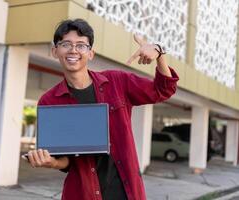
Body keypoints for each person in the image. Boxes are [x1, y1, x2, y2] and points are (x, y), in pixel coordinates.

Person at [25, 18, 179, 200]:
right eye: (66, 44)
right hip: (83, 194)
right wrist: (51, 162)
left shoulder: (117, 82)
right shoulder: (50, 101)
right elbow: (66, 161)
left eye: (81, 45)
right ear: (55, 51)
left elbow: (164, 89)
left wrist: (159, 53)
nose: (73, 50)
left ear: (91, 53)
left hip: (127, 193)